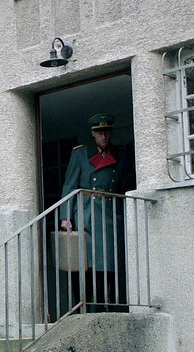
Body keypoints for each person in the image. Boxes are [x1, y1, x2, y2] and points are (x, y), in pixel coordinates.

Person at [59, 113, 128, 312]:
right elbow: (70, 186)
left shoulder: (119, 155)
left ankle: (109, 304)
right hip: (87, 212)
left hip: (111, 213)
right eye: (99, 132)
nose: (103, 136)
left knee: (110, 261)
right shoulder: (80, 154)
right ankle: (85, 306)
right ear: (92, 133)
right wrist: (66, 216)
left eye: (106, 132)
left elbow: (122, 186)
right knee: (85, 262)